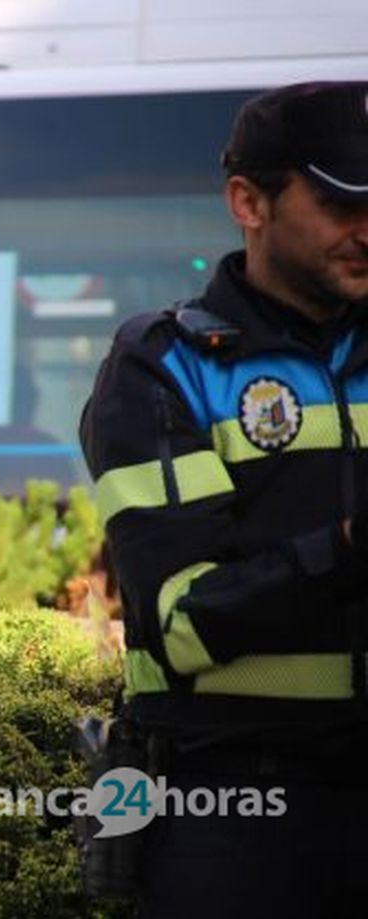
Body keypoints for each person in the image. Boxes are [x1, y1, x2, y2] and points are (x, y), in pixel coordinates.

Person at [81, 81, 368, 916]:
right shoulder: (164, 366)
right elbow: (185, 623)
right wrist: (351, 549)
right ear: (249, 201)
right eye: (343, 202)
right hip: (237, 810)